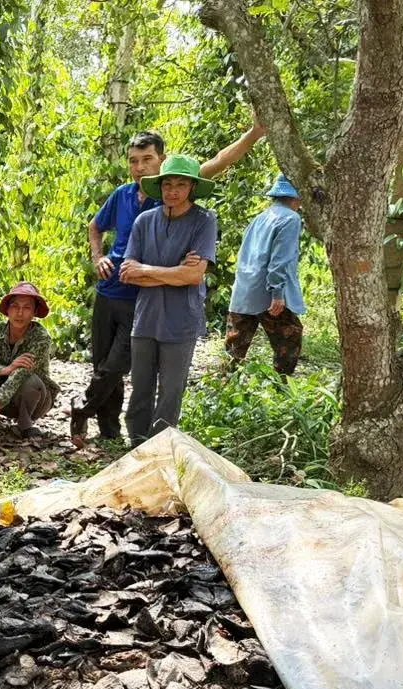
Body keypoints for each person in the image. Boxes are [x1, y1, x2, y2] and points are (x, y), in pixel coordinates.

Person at [71, 123, 265, 447]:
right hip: (113, 292)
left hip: (150, 304)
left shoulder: (191, 205)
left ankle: (90, 411)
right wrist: (99, 258)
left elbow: (192, 274)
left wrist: (255, 133)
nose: (139, 167)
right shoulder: (126, 198)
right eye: (133, 160)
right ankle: (112, 435)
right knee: (109, 368)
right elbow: (103, 237)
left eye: (146, 159)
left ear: (162, 160)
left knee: (122, 369)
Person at [120, 154, 220, 445]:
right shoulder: (144, 221)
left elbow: (194, 277)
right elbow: (127, 274)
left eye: (180, 184)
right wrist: (175, 270)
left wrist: (147, 270)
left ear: (191, 187)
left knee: (171, 390)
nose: (172, 190)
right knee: (140, 388)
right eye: (167, 184)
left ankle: (160, 449)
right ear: (160, 186)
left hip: (181, 319)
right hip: (146, 317)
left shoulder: (204, 220)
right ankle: (135, 446)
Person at [225, 174, 305, 375]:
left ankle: (225, 388)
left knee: (235, 349)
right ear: (297, 197)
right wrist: (277, 292)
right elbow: (280, 259)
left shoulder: (260, 218)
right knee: (290, 338)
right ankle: (282, 387)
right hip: (268, 294)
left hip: (244, 290)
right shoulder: (291, 219)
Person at [0, 282, 61, 442]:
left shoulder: (40, 337)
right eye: (15, 306)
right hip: (3, 397)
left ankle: (25, 424)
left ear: (34, 312)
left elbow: (20, 374)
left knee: (29, 379)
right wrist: (4, 370)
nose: (20, 313)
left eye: (27, 308)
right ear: (7, 309)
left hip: (35, 400)